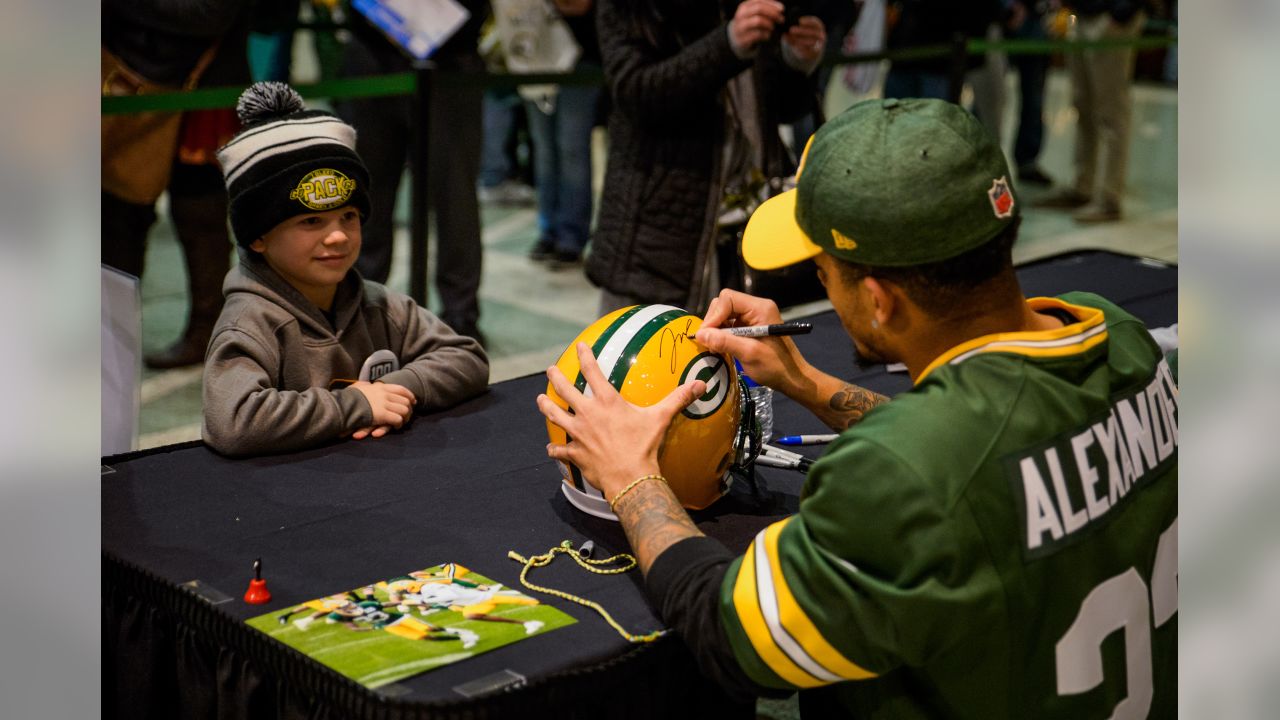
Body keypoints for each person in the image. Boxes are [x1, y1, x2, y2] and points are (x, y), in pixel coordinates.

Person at [536, 98, 1177, 717]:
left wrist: (635, 479)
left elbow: (728, 632)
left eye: (823, 272)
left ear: (879, 300)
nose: (823, 289)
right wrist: (808, 383)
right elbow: (986, 458)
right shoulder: (1120, 337)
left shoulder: (902, 475)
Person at [202, 83, 490, 457]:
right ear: (257, 236)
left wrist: (394, 391)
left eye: (349, 216)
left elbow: (467, 358)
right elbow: (233, 421)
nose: (338, 236)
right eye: (310, 222)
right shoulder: (249, 323)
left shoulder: (378, 303)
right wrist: (354, 405)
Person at [586, 0, 826, 315]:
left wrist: (798, 58)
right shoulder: (631, 8)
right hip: (658, 235)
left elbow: (777, 108)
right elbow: (637, 92)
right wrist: (728, 45)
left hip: (747, 230)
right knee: (644, 355)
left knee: (745, 358)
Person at [337, 0, 489, 342]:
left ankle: (461, 314)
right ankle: (357, 307)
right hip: (371, 54)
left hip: (452, 56)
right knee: (364, 197)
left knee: (456, 200)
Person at [1036, 0, 1148, 222]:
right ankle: (1083, 187)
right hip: (1080, 16)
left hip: (1109, 19)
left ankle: (1108, 198)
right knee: (1083, 106)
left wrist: (1121, 12)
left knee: (1110, 112)